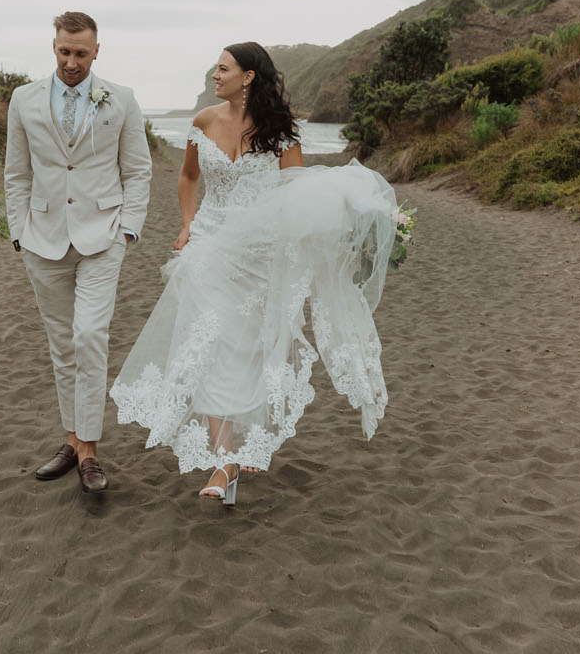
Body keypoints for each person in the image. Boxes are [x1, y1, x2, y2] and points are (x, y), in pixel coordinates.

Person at [110, 42, 396, 505]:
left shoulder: (282, 133)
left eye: (222, 68)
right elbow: (187, 178)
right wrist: (187, 224)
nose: (213, 74)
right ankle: (223, 462)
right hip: (209, 250)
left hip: (260, 259)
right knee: (209, 347)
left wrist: (352, 222)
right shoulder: (203, 121)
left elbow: (299, 198)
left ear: (248, 77)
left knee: (249, 354)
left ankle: (240, 450)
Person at [4, 11, 152, 494]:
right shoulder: (22, 99)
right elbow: (16, 173)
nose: (72, 62)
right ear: (54, 47)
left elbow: (137, 170)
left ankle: (87, 451)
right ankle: (72, 441)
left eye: (81, 53)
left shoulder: (122, 100)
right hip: (42, 238)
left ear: (96, 50)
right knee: (62, 345)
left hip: (103, 236)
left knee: (89, 335)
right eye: (65, 52)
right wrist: (18, 233)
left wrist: (127, 230)